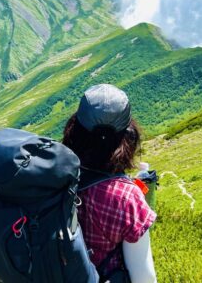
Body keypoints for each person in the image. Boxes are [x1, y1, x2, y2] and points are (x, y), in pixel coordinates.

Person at [62, 84, 157, 283]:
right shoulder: (127, 198)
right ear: (128, 137)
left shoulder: (58, 175)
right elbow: (145, 278)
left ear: (75, 130)